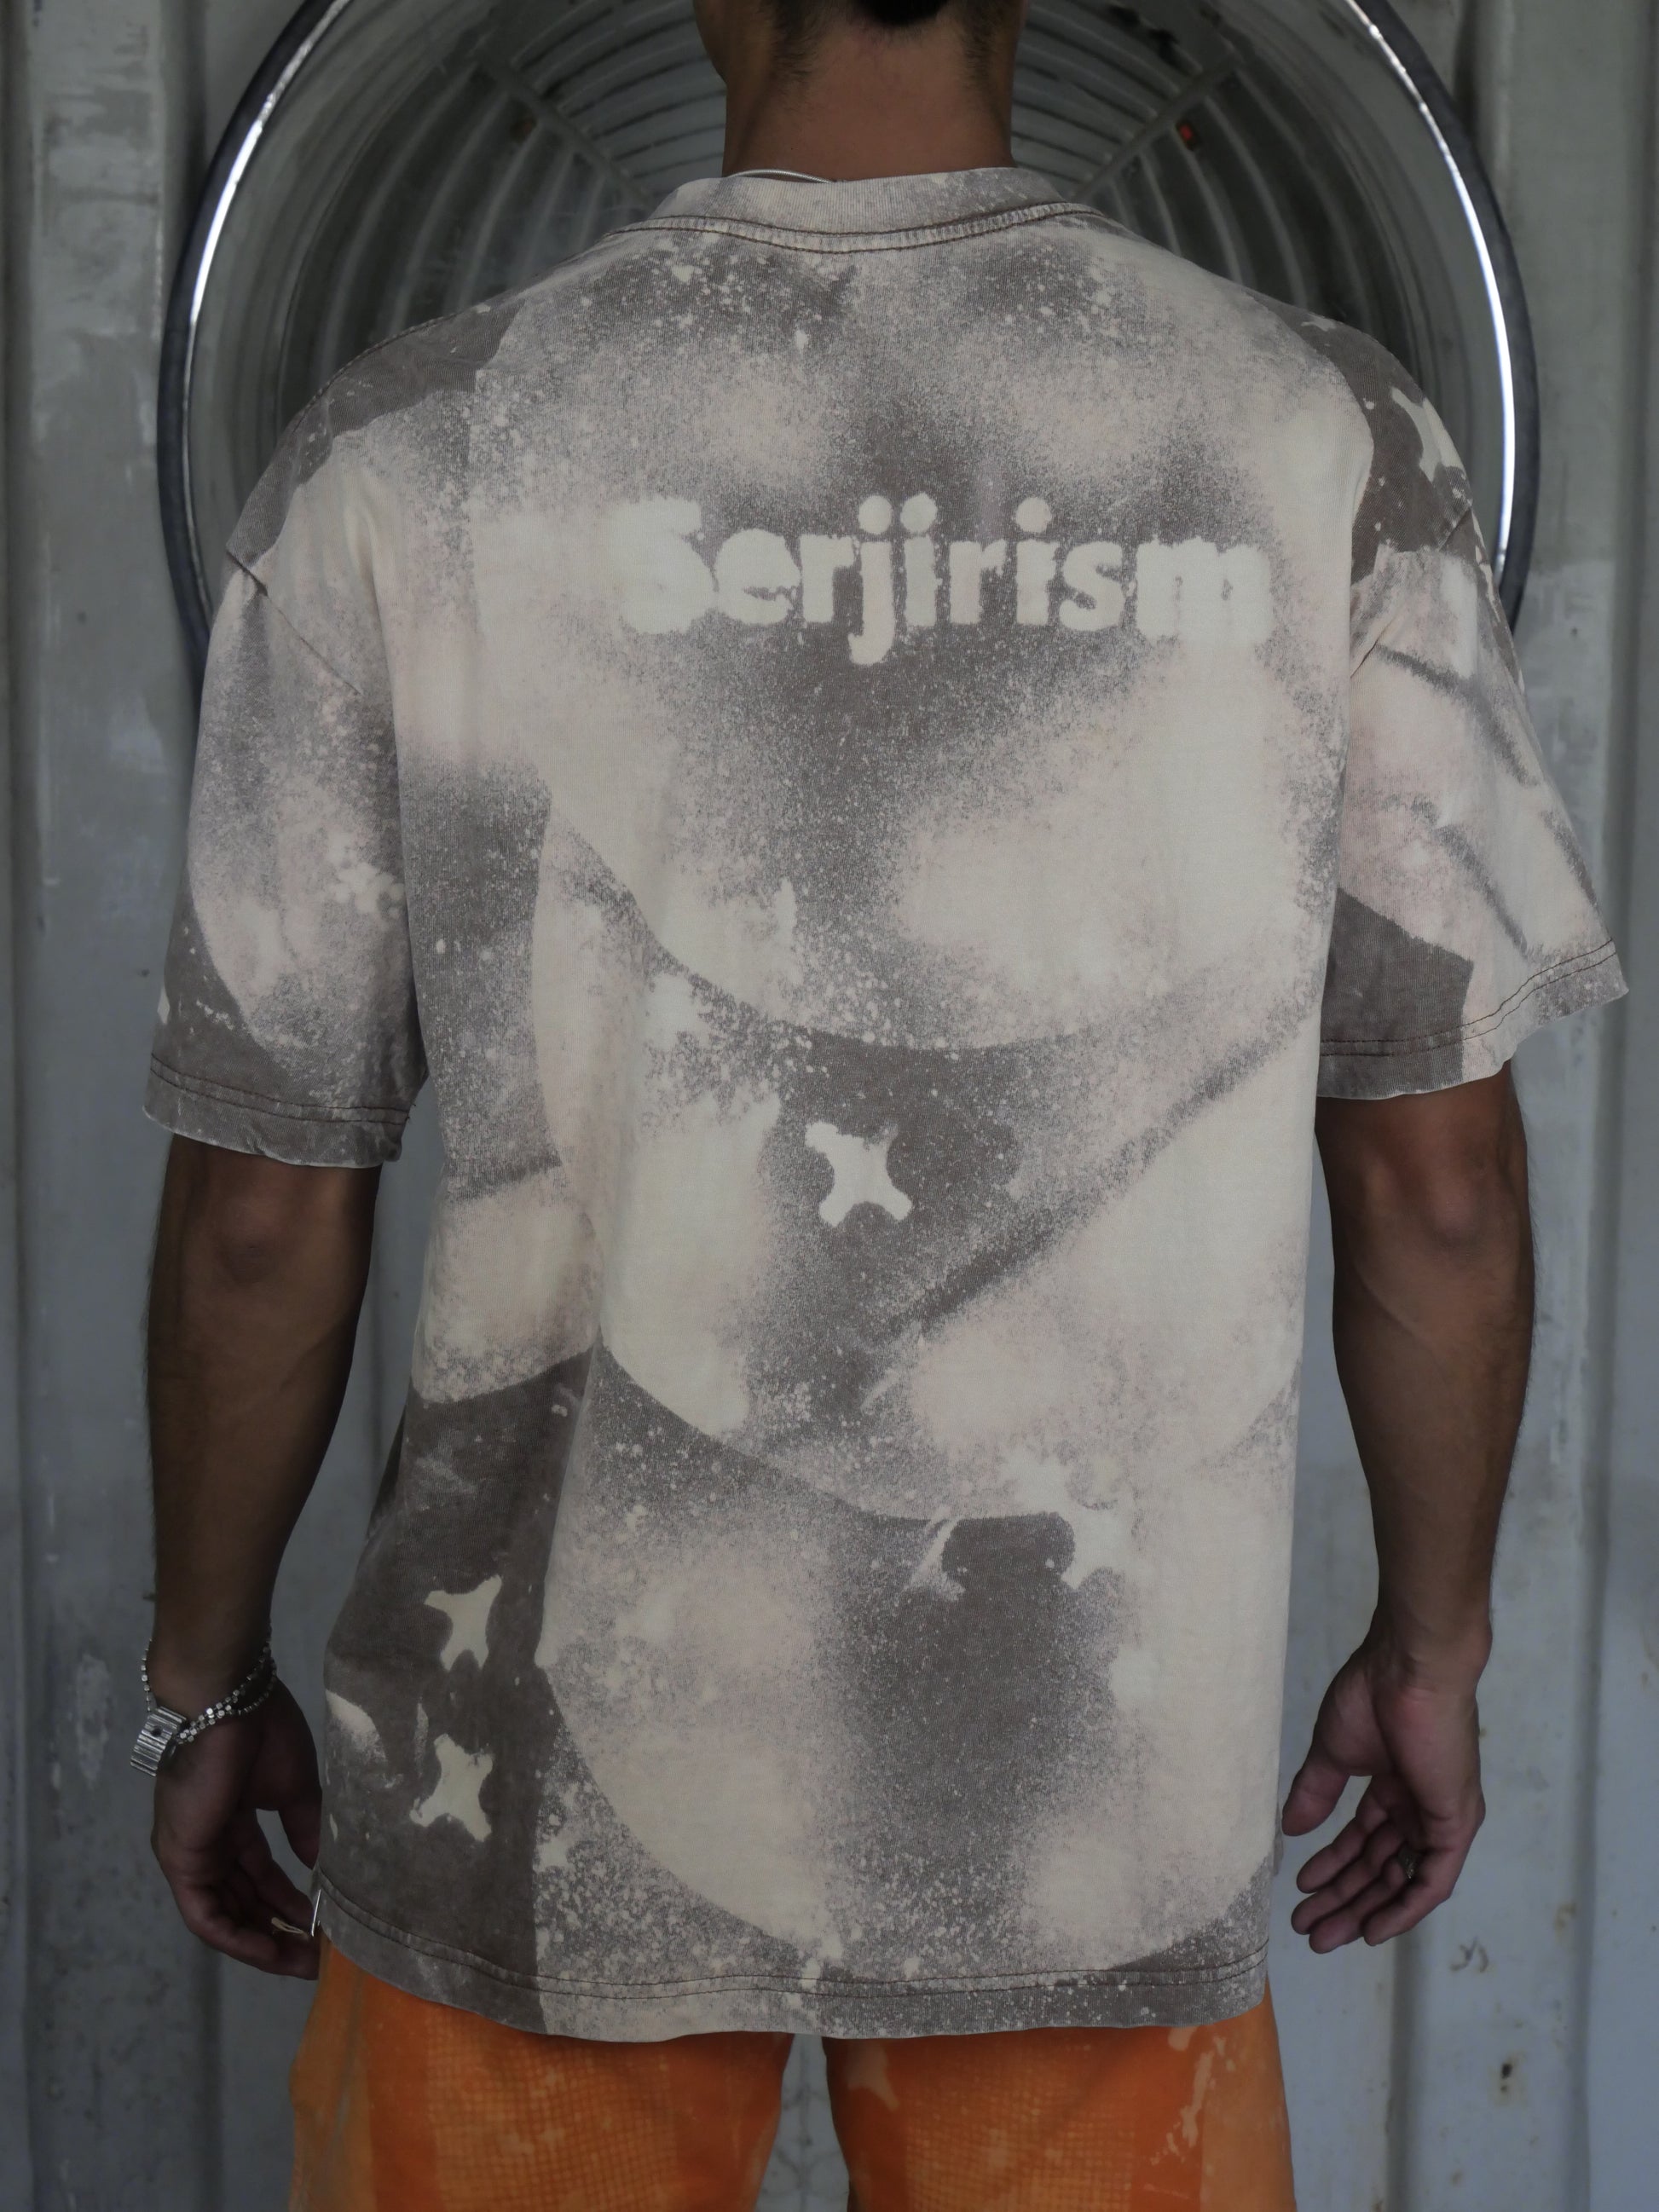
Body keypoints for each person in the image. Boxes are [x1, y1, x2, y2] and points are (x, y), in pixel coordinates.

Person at [136, 0, 1627, 2202]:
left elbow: (263, 1211)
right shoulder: (1330, 440)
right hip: (1087, 1805)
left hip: (535, 1796)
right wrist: (1431, 1648)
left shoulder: (406, 452)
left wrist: (199, 1672)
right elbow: (1439, 1185)